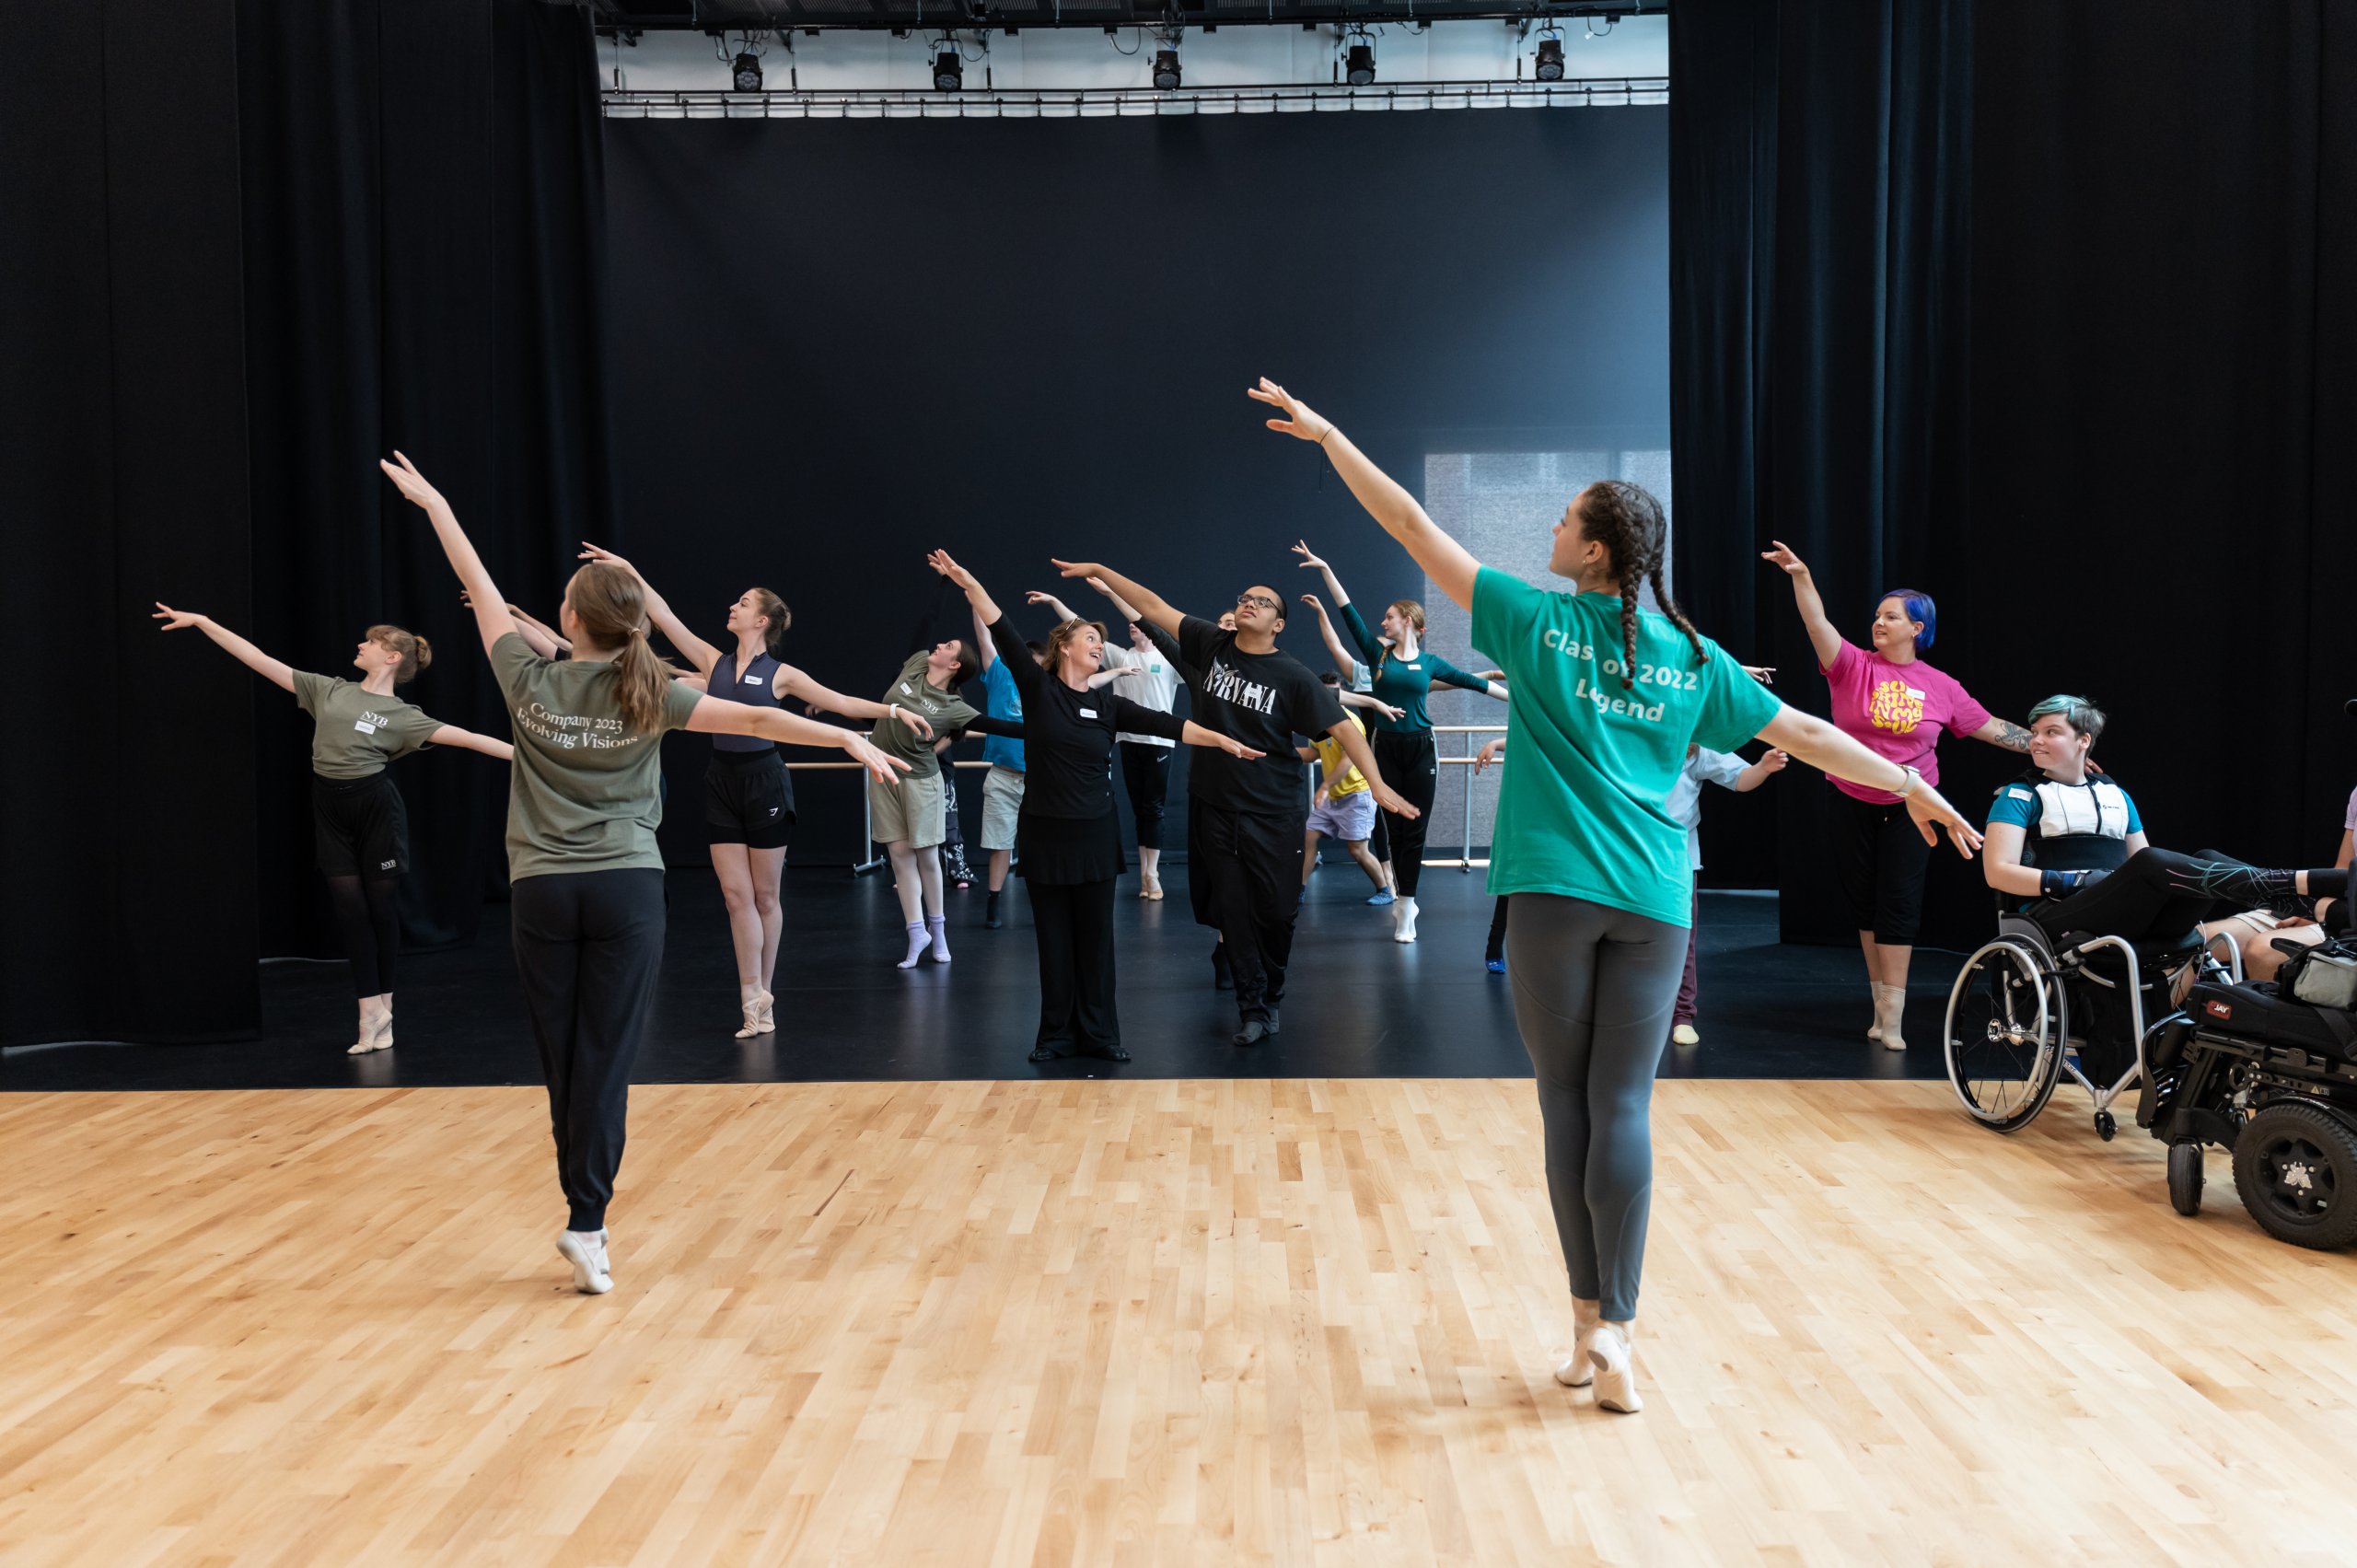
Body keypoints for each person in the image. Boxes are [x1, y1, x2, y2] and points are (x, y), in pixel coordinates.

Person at [1250, 377, 1980, 1414]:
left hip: (1555, 889)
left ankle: (1589, 1317)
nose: (1548, 528)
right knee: (1624, 1104)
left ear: (1592, 550)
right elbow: (1808, 735)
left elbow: (1408, 520)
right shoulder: (1693, 653)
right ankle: (1620, 1332)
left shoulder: (1534, 621)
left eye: (1560, 518)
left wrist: (1328, 433)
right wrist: (1910, 781)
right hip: (1655, 896)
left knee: (1566, 1105)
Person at [379, 452, 906, 1296]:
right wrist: (845, 736)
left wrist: (437, 502)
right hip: (625, 886)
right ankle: (589, 1222)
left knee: (564, 1056)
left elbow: (475, 582)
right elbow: (761, 715)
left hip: (542, 889)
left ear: (572, 621)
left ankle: (582, 1208)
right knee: (606, 1055)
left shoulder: (527, 676)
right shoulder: (651, 689)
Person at [1049, 557, 1417, 1046]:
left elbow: (1345, 727)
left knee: (1279, 911)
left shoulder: (1293, 675)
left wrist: (1377, 784)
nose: (1248, 603)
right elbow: (1153, 607)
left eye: (1261, 602)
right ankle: (1253, 1006)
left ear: (1278, 624)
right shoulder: (1212, 643)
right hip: (1215, 804)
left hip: (1274, 809)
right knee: (1234, 910)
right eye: (1245, 597)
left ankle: (1273, 987)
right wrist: (1102, 571)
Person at [575, 546, 932, 1037]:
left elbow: (841, 701)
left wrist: (894, 712)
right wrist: (628, 570)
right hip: (721, 779)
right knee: (734, 896)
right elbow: (663, 613)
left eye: (743, 603)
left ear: (761, 620)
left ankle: (766, 992)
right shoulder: (713, 661)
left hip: (765, 779)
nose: (733, 607)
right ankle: (749, 997)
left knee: (765, 897)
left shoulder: (783, 675)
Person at [932, 552, 1263, 1061]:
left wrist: (1224, 740)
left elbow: (1171, 726)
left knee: (1096, 941)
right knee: (1054, 940)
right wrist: (967, 581)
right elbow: (999, 623)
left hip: (1093, 836)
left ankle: (1102, 1034)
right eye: (1089, 638)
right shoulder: (1039, 690)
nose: (1096, 645)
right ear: (1065, 648)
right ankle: (1056, 1036)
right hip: (1046, 835)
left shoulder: (1110, 705)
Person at [153, 604, 513, 1055]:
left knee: (382, 909)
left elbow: (471, 738)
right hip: (330, 806)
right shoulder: (328, 690)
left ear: (392, 658)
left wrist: (533, 759)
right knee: (350, 911)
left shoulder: (405, 716)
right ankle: (369, 1014)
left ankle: (384, 1009)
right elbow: (260, 660)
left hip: (375, 807)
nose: (360, 645)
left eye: (371, 642)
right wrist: (206, 624)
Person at [1761, 541, 2033, 1052]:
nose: (1879, 623)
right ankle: (1879, 1004)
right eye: (1877, 615)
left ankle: (1896, 1017)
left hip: (1914, 806)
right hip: (1849, 799)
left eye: (1891, 617)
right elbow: (1816, 623)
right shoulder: (1850, 666)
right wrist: (1801, 576)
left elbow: (1991, 727)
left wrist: (2042, 743)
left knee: (1900, 905)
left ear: (1917, 629)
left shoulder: (1941, 685)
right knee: (1864, 904)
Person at [1980, 695, 2344, 955]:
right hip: (2056, 914)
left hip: (2123, 911)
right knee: (2156, 861)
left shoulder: (2116, 796)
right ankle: (2294, 889)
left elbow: (2146, 869)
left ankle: (2293, 894)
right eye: (2035, 731)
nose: (2036, 740)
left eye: (2051, 731)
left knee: (2206, 857)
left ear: (2084, 741)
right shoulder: (2019, 796)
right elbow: (1997, 872)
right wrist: (2071, 880)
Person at [1294, 542, 1508, 943]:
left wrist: (1525, 702)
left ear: (1408, 621)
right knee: (1393, 829)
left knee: (1417, 831)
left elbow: (1476, 684)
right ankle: (1400, 899)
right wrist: (1325, 569)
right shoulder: (1378, 656)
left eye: (1390, 617)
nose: (1384, 621)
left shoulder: (1430, 664)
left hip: (1422, 749)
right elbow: (1348, 613)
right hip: (1386, 751)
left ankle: (1407, 904)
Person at [865, 631, 1024, 968]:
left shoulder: (954, 707)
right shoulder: (916, 665)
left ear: (955, 664)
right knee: (899, 855)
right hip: (885, 775)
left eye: (948, 646)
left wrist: (1051, 723)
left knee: (926, 856)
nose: (939, 645)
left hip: (921, 781)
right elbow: (924, 626)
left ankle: (938, 933)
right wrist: (944, 582)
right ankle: (916, 933)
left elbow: (999, 726)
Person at [969, 593, 1039, 930]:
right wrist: (973, 593)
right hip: (1002, 775)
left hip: (1039, 777)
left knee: (1043, 843)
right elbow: (984, 634)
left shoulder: (1048, 685)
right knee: (999, 843)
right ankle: (994, 901)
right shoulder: (1000, 675)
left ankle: (1046, 902)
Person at [1298, 674, 1390, 896]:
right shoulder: (1319, 724)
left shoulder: (1350, 722)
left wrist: (1325, 787)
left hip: (1357, 794)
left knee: (1357, 850)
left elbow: (1349, 759)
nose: (1329, 699)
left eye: (1334, 694)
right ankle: (1298, 890)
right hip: (1332, 798)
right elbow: (1312, 753)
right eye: (1325, 693)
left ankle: (1385, 890)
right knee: (1309, 838)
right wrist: (1277, 753)